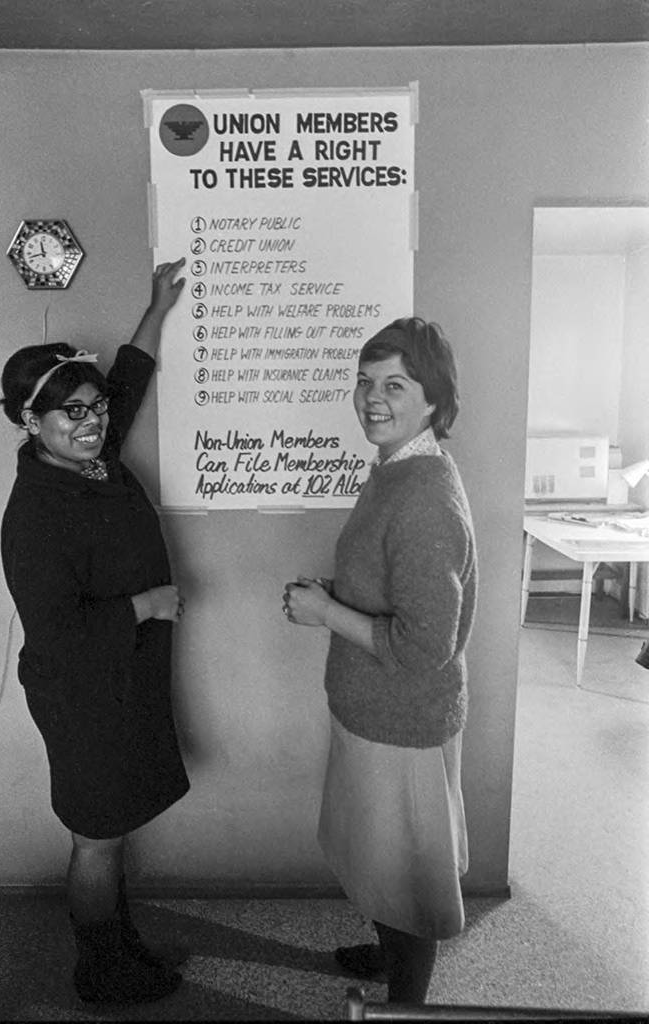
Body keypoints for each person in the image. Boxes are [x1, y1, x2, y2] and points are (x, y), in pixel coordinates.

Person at [0, 259, 191, 1006]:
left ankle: (121, 947)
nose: (91, 421)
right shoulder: (34, 515)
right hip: (81, 695)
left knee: (113, 826)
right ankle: (99, 972)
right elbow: (56, 634)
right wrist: (146, 607)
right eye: (70, 415)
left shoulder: (94, 459)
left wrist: (155, 306)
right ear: (32, 425)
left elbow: (128, 381)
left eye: (92, 408)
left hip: (121, 683)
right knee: (95, 837)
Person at [282, 317, 477, 1005]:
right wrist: (342, 596)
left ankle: (406, 1006)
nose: (372, 397)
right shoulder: (398, 467)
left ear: (434, 399)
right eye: (366, 381)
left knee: (408, 879)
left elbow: (425, 650)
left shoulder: (423, 494)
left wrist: (326, 613)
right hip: (376, 711)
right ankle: (390, 951)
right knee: (381, 862)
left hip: (401, 724)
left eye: (395, 384)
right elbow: (398, 589)